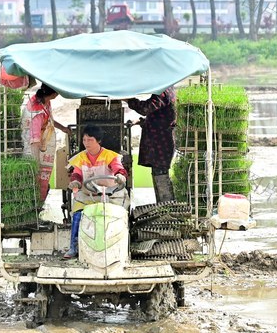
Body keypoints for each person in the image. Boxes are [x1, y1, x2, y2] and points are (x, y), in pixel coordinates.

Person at [64, 124, 127, 259]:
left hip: (111, 194)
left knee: (118, 216)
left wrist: (121, 175)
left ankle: (121, 246)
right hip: (88, 195)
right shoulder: (80, 157)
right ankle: (73, 246)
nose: (86, 143)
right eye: (84, 140)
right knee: (77, 214)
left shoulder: (110, 155)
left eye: (90, 140)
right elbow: (77, 173)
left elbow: (119, 169)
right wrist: (75, 181)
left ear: (98, 141)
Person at [125, 87, 176, 202]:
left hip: (162, 143)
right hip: (161, 142)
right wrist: (142, 122)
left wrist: (128, 99)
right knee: (158, 173)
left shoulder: (163, 92)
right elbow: (159, 114)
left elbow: (146, 108)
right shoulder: (168, 89)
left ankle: (167, 207)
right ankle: (164, 207)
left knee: (161, 175)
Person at [21, 84, 69, 203]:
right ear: (54, 94)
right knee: (37, 182)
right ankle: (36, 210)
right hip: (36, 151)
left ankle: (38, 208)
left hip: (43, 147)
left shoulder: (43, 102)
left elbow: (49, 120)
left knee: (43, 182)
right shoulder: (36, 112)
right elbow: (35, 140)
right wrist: (36, 163)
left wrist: (62, 128)